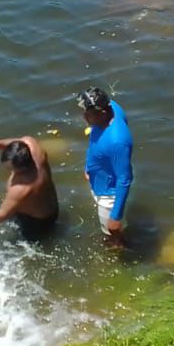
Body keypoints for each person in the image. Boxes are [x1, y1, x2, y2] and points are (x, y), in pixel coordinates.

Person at [78, 86, 133, 245]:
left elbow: (125, 179)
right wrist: (90, 168)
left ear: (102, 114)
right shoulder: (112, 106)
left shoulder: (117, 141)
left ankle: (117, 248)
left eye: (87, 114)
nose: (83, 116)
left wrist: (115, 216)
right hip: (99, 179)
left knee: (111, 231)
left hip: (108, 195)